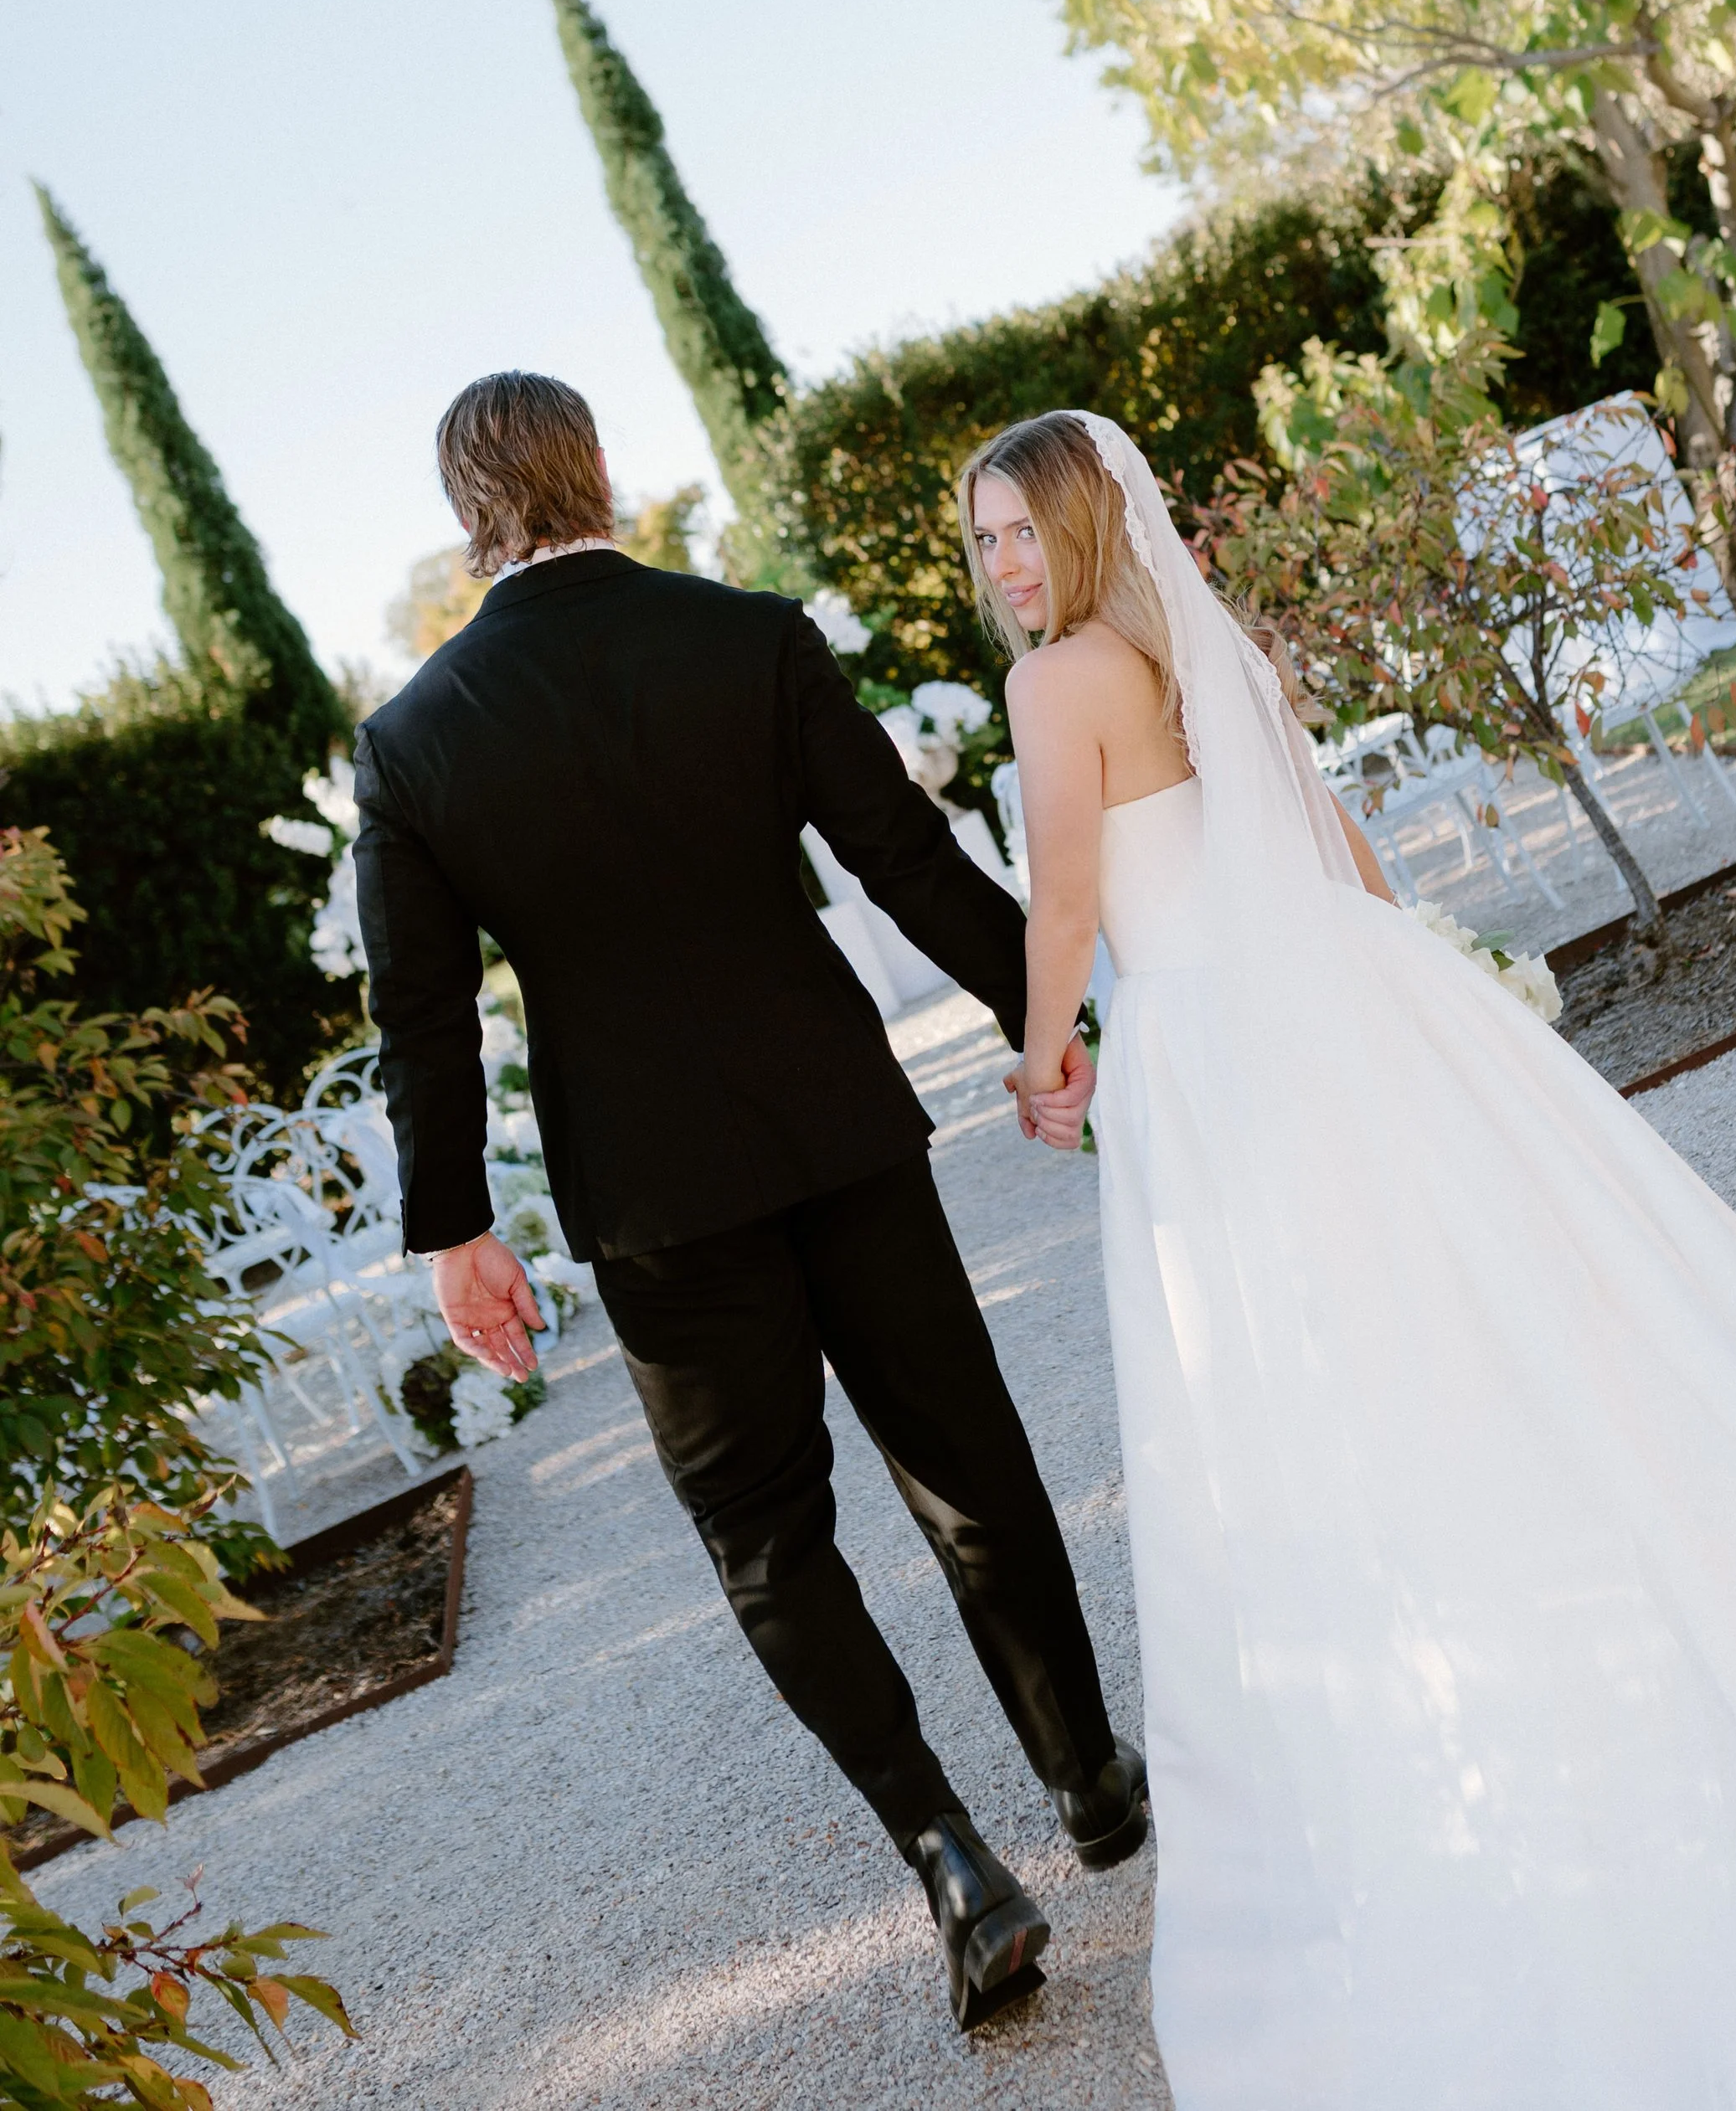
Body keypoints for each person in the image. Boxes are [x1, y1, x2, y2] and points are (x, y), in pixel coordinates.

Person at [963, 406, 1736, 2110]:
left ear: (1084, 525)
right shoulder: (1200, 647)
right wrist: (1406, 973)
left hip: (1210, 1053)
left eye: (1020, 533)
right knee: (1468, 1320)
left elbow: (1063, 905)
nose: (1002, 569)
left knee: (1307, 1387)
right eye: (980, 543)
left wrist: (1047, 1058)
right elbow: (1332, 845)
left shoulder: (1055, 685)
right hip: (1345, 1006)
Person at [352, 371, 1146, 2032]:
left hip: (651, 1203)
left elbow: (419, 1020)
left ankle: (947, 1856)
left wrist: (454, 1232)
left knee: (770, 1546)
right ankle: (1088, 1781)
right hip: (836, 1130)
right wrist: (1053, 1017)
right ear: (599, 475)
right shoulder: (744, 635)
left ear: (465, 519)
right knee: (966, 1461)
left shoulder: (416, 742)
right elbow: (902, 858)